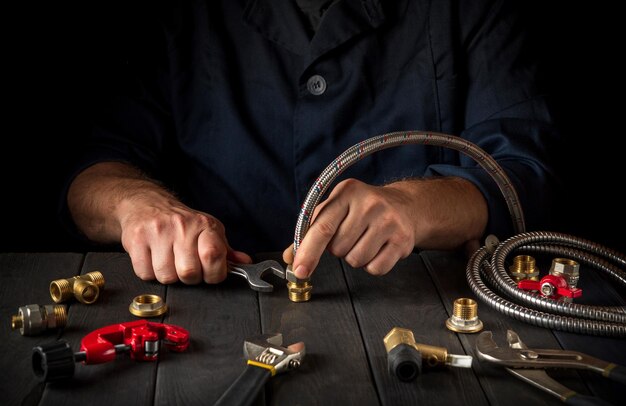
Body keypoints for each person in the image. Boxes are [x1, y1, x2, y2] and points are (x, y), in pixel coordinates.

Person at [65, 0, 559, 285]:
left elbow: (525, 173)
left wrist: (417, 205)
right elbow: (90, 171)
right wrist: (135, 205)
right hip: (209, 317)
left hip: (429, 309)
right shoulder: (178, 16)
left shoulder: (470, 10)